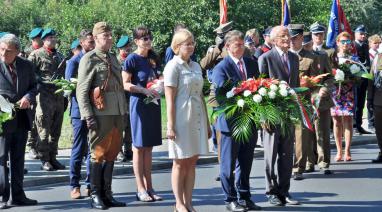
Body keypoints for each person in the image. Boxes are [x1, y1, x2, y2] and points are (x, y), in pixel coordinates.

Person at [76, 22, 127, 209]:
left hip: (117, 114)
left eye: (110, 35)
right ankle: (95, 194)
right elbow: (81, 91)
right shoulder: (89, 59)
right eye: (106, 36)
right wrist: (88, 116)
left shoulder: (113, 57)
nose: (110, 39)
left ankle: (107, 193)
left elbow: (119, 88)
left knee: (112, 154)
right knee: (97, 154)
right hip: (100, 114)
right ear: (96, 38)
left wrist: (124, 112)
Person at [212, 30, 261, 212]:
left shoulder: (251, 63)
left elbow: (259, 86)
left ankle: (245, 196)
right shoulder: (221, 67)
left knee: (246, 162)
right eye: (236, 45)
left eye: (242, 44)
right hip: (230, 124)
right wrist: (240, 93)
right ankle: (230, 199)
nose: (240, 48)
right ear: (227, 47)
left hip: (249, 121)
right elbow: (221, 96)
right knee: (228, 164)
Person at [164, 29, 210, 212]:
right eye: (187, 43)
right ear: (177, 46)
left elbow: (200, 96)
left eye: (192, 43)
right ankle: (179, 203)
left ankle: (188, 201)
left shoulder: (197, 66)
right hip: (181, 118)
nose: (191, 46)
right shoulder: (173, 66)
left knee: (192, 161)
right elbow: (169, 100)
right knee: (180, 161)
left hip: (197, 117)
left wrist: (207, 123)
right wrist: (170, 125)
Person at [258, 25, 300, 206]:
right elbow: (258, 89)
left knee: (286, 154)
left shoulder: (294, 57)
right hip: (271, 115)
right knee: (271, 155)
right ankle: (271, 190)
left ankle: (285, 190)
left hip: (288, 114)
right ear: (274, 39)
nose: (287, 39)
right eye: (283, 36)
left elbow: (296, 86)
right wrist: (263, 116)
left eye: (288, 36)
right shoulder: (265, 58)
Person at [122, 26, 163, 202]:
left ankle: (150, 187)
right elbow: (125, 83)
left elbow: (158, 76)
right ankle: (140, 188)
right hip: (139, 104)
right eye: (144, 38)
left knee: (149, 147)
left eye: (149, 37)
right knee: (139, 147)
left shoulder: (153, 58)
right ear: (136, 41)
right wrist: (142, 90)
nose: (148, 41)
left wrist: (160, 84)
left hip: (153, 104)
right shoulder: (131, 59)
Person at [0, 34, 38, 209]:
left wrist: (28, 97)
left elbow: (34, 86)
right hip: (2, 121)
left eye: (7, 51)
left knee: (18, 159)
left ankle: (18, 195)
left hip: (21, 119)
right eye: (1, 49)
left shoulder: (26, 65)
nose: (3, 54)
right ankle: (2, 196)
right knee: (1, 160)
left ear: (17, 51)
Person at [28, 28, 67, 171]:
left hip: (58, 97)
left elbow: (63, 77)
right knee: (44, 129)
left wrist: (65, 95)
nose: (52, 40)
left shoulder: (60, 57)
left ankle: (53, 157)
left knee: (56, 130)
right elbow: (29, 73)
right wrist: (41, 82)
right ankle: (44, 159)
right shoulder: (36, 55)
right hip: (43, 97)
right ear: (43, 40)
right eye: (49, 38)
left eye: (53, 37)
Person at [201, 21, 232, 182]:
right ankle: (223, 168)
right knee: (221, 136)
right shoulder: (214, 50)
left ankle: (234, 167)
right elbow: (202, 66)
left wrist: (225, 49)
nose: (219, 39)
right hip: (218, 98)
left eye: (223, 37)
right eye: (219, 37)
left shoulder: (236, 49)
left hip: (236, 95)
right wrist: (216, 50)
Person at [65, 29, 95, 199]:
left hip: (95, 109)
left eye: (93, 42)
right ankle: (74, 185)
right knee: (79, 148)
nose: (92, 45)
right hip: (78, 112)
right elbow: (68, 88)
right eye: (90, 42)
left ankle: (90, 184)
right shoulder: (74, 62)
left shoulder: (95, 59)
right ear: (82, 43)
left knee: (93, 149)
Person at [288, 24, 320, 181]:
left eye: (295, 38)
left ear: (301, 38)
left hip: (303, 102)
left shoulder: (311, 57)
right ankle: (285, 165)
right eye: (290, 38)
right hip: (285, 102)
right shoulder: (284, 56)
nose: (292, 41)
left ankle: (298, 167)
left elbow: (318, 81)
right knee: (286, 136)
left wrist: (312, 89)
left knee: (301, 136)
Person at [306, 25, 336, 174]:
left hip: (321, 100)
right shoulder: (298, 57)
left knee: (323, 132)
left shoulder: (323, 55)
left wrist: (326, 88)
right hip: (305, 101)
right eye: (315, 34)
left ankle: (324, 162)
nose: (318, 37)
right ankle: (308, 162)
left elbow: (329, 77)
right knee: (307, 133)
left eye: (320, 34)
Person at [331, 32, 358, 162]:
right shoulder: (333, 57)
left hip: (348, 92)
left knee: (347, 120)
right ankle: (338, 150)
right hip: (335, 93)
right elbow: (327, 73)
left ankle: (347, 149)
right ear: (337, 43)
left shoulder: (354, 58)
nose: (345, 44)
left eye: (347, 42)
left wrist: (353, 75)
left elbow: (359, 75)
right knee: (336, 121)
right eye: (343, 42)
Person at [24, 27, 44, 160]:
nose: (41, 41)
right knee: (31, 120)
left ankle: (37, 145)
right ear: (34, 40)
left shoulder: (44, 52)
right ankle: (31, 147)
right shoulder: (28, 53)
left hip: (43, 91)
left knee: (40, 121)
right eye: (38, 39)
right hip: (31, 91)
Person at [116, 35, 133, 162]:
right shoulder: (116, 62)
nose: (127, 50)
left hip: (131, 97)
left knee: (130, 125)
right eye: (125, 48)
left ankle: (128, 149)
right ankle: (118, 151)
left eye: (129, 47)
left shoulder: (132, 60)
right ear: (119, 49)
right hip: (120, 98)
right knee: (120, 125)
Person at [354, 25, 372, 135]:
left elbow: (368, 62)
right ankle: (354, 125)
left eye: (364, 34)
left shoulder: (365, 45)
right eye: (361, 33)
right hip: (355, 78)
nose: (363, 36)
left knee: (361, 103)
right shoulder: (352, 45)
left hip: (364, 78)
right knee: (355, 103)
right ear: (355, 34)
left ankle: (359, 125)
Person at [368, 52, 382, 163]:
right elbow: (371, 79)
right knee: (379, 129)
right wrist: (369, 99)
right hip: (378, 99)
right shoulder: (378, 57)